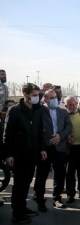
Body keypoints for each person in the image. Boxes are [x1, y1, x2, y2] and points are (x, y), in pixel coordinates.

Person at [3, 83, 46, 223]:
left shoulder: (37, 109)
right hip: (18, 155)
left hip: (32, 154)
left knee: (27, 183)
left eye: (38, 95)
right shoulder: (15, 110)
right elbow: (7, 134)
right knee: (19, 185)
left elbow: (40, 130)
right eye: (34, 95)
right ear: (25, 94)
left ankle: (23, 207)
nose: (36, 98)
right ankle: (17, 213)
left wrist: (42, 148)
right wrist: (8, 154)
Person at [34, 89, 72, 211]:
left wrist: (60, 136)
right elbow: (37, 129)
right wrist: (42, 147)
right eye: (51, 98)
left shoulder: (62, 112)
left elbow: (68, 125)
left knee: (60, 174)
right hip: (45, 148)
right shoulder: (40, 111)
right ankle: (40, 200)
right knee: (42, 175)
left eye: (55, 97)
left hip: (60, 147)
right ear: (45, 100)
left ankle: (57, 198)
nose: (54, 99)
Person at [64, 96, 80, 203]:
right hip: (70, 148)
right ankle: (70, 194)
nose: (74, 106)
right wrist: (66, 137)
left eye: (75, 104)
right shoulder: (64, 115)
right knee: (70, 172)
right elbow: (59, 129)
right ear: (66, 106)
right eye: (71, 105)